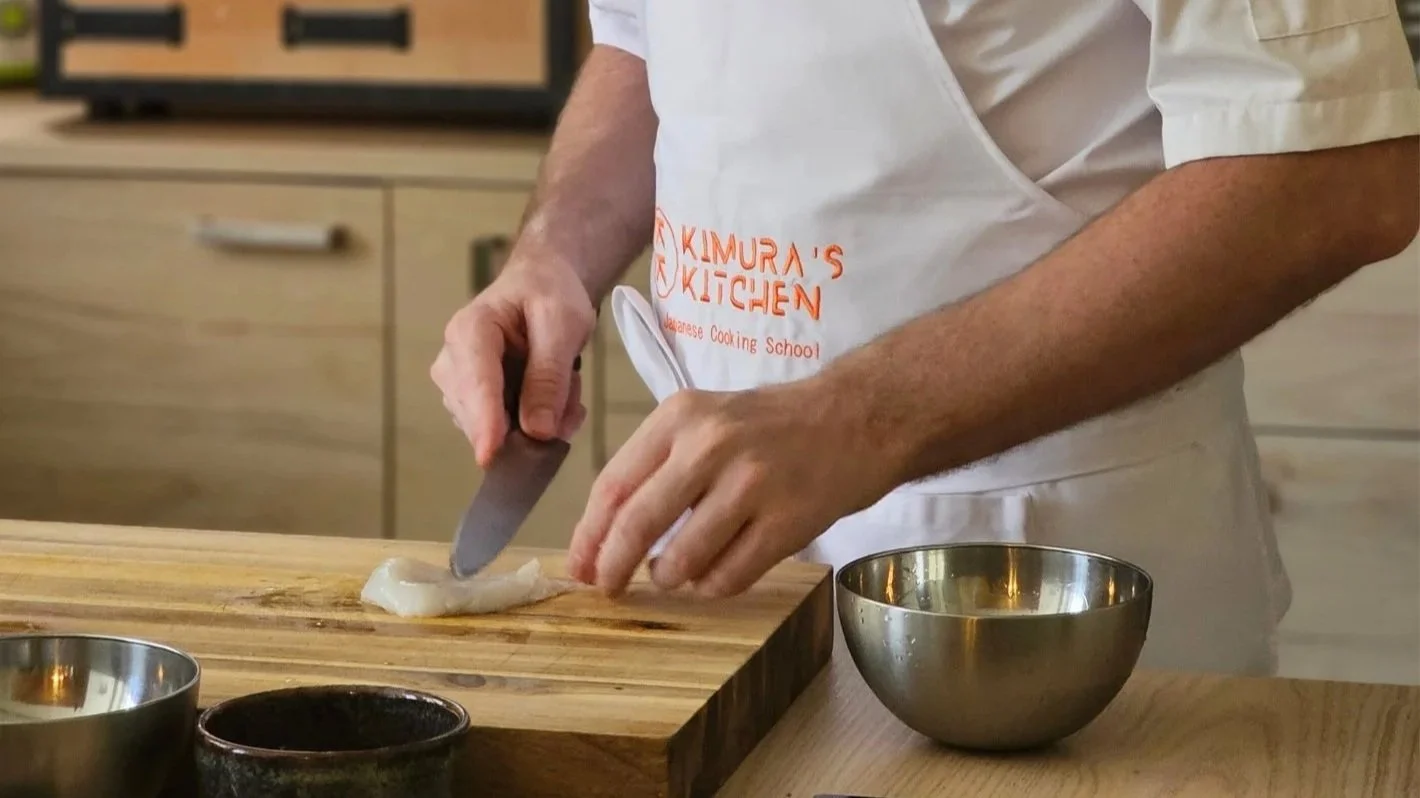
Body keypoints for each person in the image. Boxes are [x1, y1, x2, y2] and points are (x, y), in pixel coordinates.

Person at [432, 0, 1420, 676]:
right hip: (716, 563)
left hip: (1043, 592)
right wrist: (550, 253)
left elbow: (1332, 171)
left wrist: (857, 416)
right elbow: (646, 37)